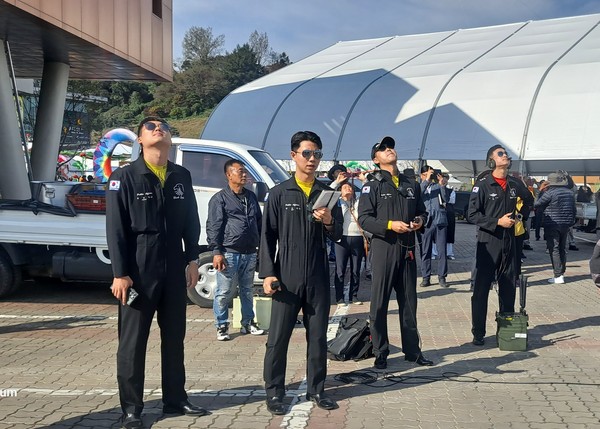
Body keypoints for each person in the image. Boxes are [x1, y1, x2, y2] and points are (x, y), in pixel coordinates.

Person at [106, 117, 206, 429]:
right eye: (150, 127)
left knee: (175, 336)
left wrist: (191, 259)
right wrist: (121, 273)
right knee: (133, 342)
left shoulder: (180, 175)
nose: (157, 128)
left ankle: (175, 399)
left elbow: (191, 218)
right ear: (139, 140)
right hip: (139, 265)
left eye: (162, 126)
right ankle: (132, 409)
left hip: (174, 263)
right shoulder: (124, 177)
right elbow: (116, 229)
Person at [259, 131, 343, 415]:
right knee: (278, 338)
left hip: (318, 275)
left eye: (317, 154)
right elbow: (267, 237)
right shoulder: (280, 193)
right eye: (306, 153)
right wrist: (268, 274)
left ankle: (317, 390)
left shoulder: (326, 193)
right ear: (294, 155)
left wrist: (330, 220)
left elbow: (338, 234)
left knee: (318, 337)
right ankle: (274, 393)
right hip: (287, 275)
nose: (312, 159)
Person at [358, 136, 433, 370]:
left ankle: (413, 351)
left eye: (390, 146)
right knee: (379, 304)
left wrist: (420, 220)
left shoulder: (411, 183)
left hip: (408, 249)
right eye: (382, 148)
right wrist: (390, 225)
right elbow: (364, 219)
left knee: (409, 303)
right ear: (375, 159)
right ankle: (381, 351)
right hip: (384, 249)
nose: (389, 150)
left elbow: (422, 211)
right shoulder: (373, 184)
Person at [467, 144, 533, 346]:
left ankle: (506, 333)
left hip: (510, 243)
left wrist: (521, 216)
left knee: (508, 289)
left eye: (506, 153)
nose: (506, 156)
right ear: (491, 160)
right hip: (488, 244)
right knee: (481, 290)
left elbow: (529, 200)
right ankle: (478, 333)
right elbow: (471, 214)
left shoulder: (514, 183)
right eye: (501, 154)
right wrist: (497, 222)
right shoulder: (483, 184)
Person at [206, 159, 264, 341]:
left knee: (247, 289)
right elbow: (214, 226)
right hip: (229, 252)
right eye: (240, 171)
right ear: (228, 175)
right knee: (224, 291)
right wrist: (216, 251)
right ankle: (222, 326)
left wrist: (261, 246)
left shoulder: (251, 197)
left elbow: (259, 222)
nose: (244, 175)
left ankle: (248, 322)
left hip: (249, 251)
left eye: (245, 172)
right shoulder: (219, 199)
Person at [534, 172, 577, 284]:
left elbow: (537, 204)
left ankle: (558, 276)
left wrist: (540, 191)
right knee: (562, 248)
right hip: (566, 224)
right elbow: (574, 209)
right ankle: (561, 273)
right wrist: (571, 222)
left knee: (554, 249)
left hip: (552, 223)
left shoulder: (550, 193)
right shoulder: (570, 193)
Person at [333, 178, 368, 305]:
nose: (348, 189)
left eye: (350, 188)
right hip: (341, 238)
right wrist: (337, 182)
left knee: (356, 269)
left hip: (357, 237)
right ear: (340, 191)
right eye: (345, 188)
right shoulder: (337, 202)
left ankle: (354, 295)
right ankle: (339, 297)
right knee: (340, 269)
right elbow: (327, 193)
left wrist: (364, 181)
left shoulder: (358, 202)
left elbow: (367, 194)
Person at [419, 165, 449, 288]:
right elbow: (418, 193)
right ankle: (426, 277)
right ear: (422, 175)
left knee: (442, 251)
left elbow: (446, 199)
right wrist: (427, 180)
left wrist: (442, 185)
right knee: (426, 251)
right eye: (427, 173)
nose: (431, 176)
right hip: (426, 222)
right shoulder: (419, 186)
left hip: (440, 221)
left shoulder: (438, 186)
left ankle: (442, 277)